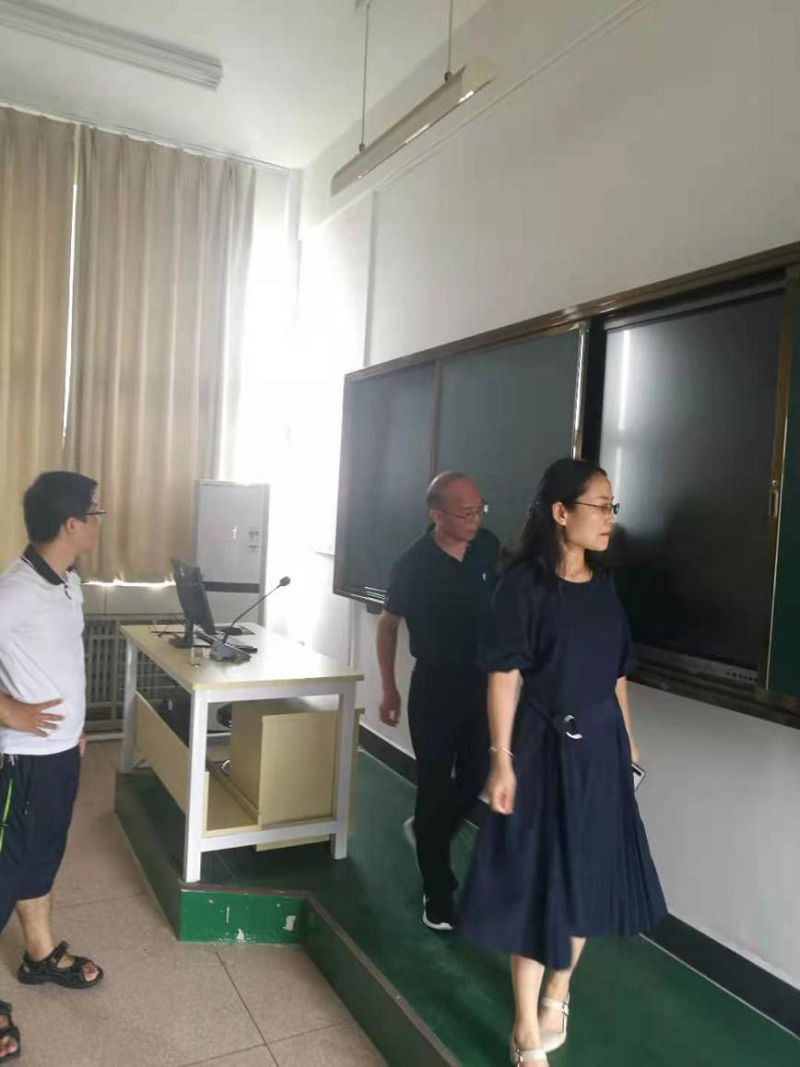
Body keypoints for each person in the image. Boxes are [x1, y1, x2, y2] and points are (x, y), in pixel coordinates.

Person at [460, 457, 666, 1065]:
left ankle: (558, 991)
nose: (609, 518)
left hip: (601, 749)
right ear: (560, 512)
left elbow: (616, 673)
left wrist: (628, 742)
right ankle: (526, 1029)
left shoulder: (604, 587)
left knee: (588, 877)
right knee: (540, 882)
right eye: (599, 506)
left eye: (611, 507)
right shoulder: (522, 587)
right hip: (543, 747)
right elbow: (503, 677)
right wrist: (502, 760)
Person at [0, 472, 106, 1062]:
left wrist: (74, 726)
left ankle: (38, 956)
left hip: (60, 752)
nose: (99, 521)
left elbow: (58, 660)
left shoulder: (68, 582)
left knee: (42, 858)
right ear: (71, 524)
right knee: (5, 872)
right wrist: (10, 710)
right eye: (96, 512)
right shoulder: (14, 592)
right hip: (22, 761)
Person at [376, 472, 499, 932]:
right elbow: (387, 625)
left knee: (478, 774)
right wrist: (389, 688)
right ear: (437, 514)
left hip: (483, 684)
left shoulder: (488, 547)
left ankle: (430, 831)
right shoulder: (412, 564)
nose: (475, 520)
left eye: (479, 509)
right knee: (433, 784)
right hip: (434, 686)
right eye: (465, 513)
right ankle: (438, 891)